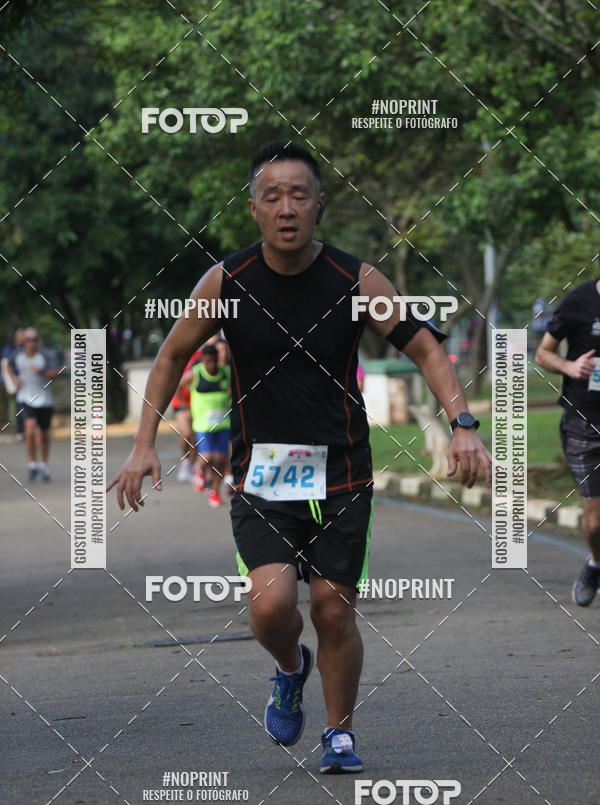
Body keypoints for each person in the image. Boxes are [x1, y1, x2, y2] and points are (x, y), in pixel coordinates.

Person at [108, 141, 491, 773]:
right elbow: (172, 355)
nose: (286, 208)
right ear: (254, 209)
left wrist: (464, 424)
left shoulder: (356, 279)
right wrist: (144, 443)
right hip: (263, 477)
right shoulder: (227, 282)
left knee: (334, 608)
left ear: (320, 205)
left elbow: (423, 347)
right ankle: (290, 668)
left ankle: (339, 733)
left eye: (299, 195)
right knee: (272, 606)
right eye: (272, 196)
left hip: (342, 472)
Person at [535, 276, 600, 606]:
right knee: (596, 519)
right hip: (584, 424)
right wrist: (570, 366)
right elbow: (543, 354)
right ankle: (595, 563)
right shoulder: (579, 302)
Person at [180, 343, 231, 508]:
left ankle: (215, 492)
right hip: (203, 424)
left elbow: (233, 389)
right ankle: (198, 469)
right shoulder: (195, 374)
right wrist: (185, 406)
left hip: (223, 423)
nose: (211, 365)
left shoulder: (226, 373)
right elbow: (178, 387)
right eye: (208, 361)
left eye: (214, 361)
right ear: (202, 360)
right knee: (208, 457)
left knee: (222, 459)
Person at [6, 328, 60, 481]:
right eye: (28, 340)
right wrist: (14, 379)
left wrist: (42, 371)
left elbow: (56, 374)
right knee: (29, 429)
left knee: (43, 434)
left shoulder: (45, 355)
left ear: (38, 340)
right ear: (24, 341)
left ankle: (44, 465)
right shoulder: (17, 354)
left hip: (45, 400)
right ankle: (32, 464)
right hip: (25, 398)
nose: (31, 343)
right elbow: (7, 365)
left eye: (34, 339)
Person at [170, 347, 202, 482]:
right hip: (180, 402)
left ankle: (193, 465)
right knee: (187, 433)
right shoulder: (180, 352)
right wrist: (184, 404)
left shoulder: (202, 354)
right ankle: (185, 462)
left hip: (198, 402)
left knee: (195, 437)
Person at [1, 326, 26, 441]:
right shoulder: (9, 350)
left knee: (25, 406)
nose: (23, 335)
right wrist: (13, 382)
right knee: (19, 406)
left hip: (26, 382)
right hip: (12, 382)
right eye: (21, 333)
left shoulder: (25, 348)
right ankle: (20, 432)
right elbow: (5, 366)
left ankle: (23, 431)